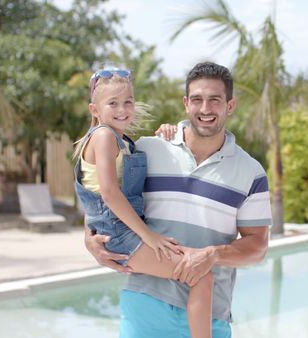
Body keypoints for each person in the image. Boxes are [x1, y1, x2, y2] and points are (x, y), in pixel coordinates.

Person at [84, 62, 272, 338]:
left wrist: (212, 255)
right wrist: (89, 238)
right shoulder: (147, 149)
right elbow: (102, 192)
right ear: (186, 103)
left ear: (230, 106)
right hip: (144, 308)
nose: (205, 109)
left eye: (215, 100)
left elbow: (257, 246)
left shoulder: (251, 172)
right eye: (197, 100)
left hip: (211, 316)